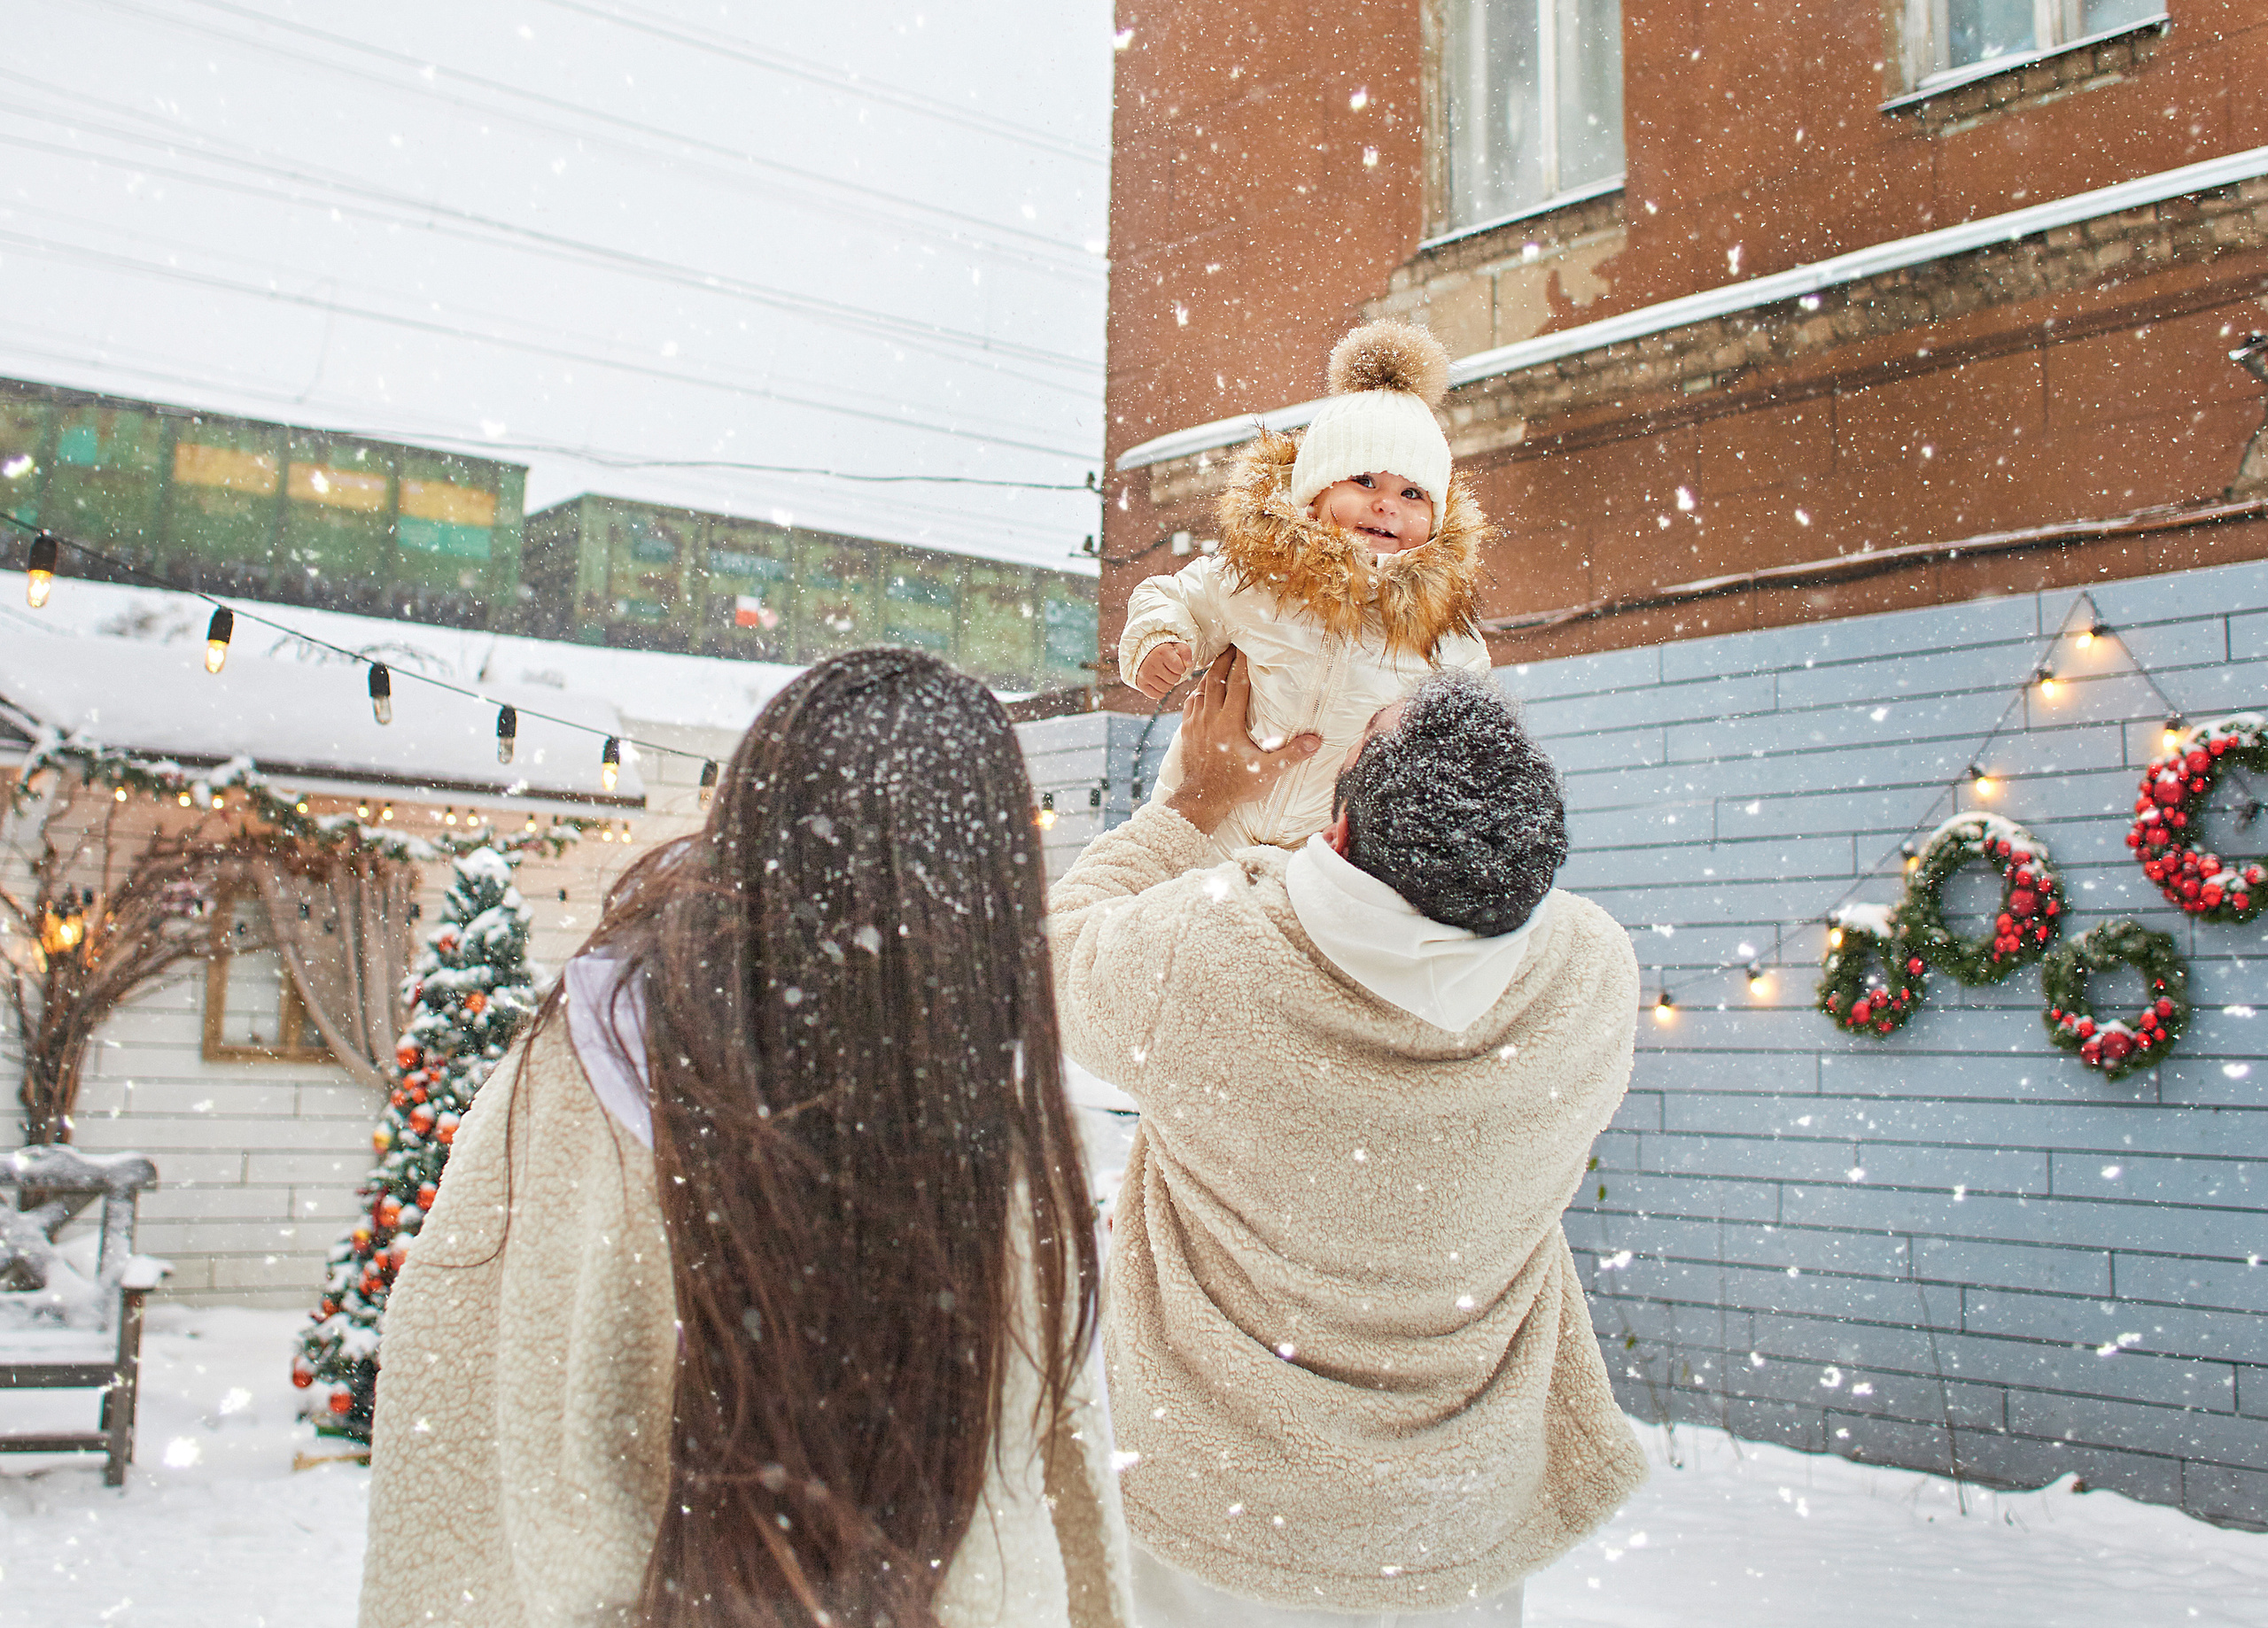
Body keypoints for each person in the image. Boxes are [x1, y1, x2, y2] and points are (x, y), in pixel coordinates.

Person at [361, 649, 1134, 1628]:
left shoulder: (588, 1059)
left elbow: (469, 1365)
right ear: (984, 879)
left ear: (753, 813)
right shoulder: (986, 1119)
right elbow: (1033, 1487)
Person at [1049, 650, 1648, 1626]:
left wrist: (1192, 808)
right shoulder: (1590, 977)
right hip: (1452, 1530)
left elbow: (1053, 949)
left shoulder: (1212, 956)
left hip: (1220, 1519)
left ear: (1334, 825)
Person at [1117, 318, 1494, 857]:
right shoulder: (1260, 576)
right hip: (1208, 826)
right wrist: (1159, 642)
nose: (1386, 503)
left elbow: (1467, 722)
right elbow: (1172, 596)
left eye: (1413, 493)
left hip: (1324, 846)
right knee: (1172, 920)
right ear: (1314, 492)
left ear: (1437, 518)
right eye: (1365, 481)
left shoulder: (1441, 631)